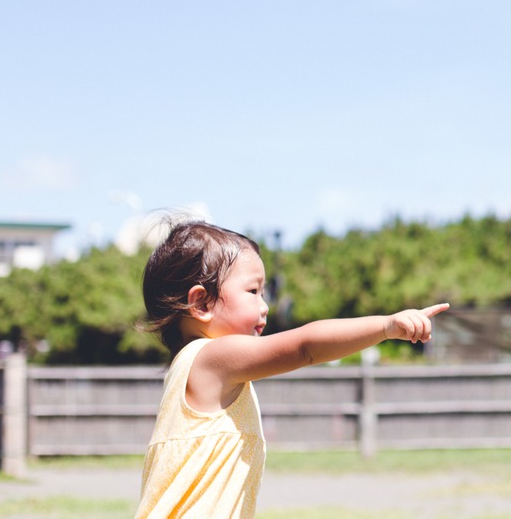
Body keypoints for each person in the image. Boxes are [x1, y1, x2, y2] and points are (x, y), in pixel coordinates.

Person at [135, 220, 448, 518]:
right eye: (253, 291)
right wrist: (385, 326)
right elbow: (306, 348)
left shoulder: (195, 365)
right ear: (202, 304)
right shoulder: (212, 358)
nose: (264, 305)